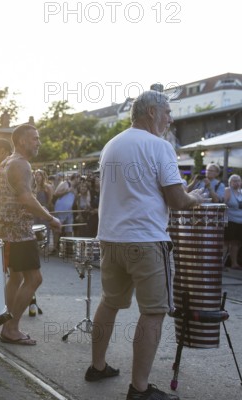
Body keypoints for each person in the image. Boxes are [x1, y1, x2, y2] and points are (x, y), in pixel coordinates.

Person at [87, 90, 205, 400]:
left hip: (110, 238)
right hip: (146, 240)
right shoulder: (160, 146)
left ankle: (97, 366)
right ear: (151, 112)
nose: (170, 119)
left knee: (109, 302)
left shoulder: (111, 145)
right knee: (154, 312)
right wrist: (195, 199)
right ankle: (139, 389)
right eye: (168, 112)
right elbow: (177, 200)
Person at [0, 124, 61, 346]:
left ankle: (5, 324)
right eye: (35, 138)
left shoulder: (6, 161)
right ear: (22, 141)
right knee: (34, 279)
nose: (38, 142)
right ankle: (11, 328)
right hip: (19, 234)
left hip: (7, 231)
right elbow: (26, 198)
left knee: (16, 278)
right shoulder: (21, 164)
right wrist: (50, 219)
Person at [223, 174, 242, 270]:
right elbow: (223, 204)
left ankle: (234, 263)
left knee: (236, 243)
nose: (236, 182)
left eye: (238, 180)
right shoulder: (227, 191)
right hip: (230, 221)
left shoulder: (241, 192)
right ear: (230, 182)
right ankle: (221, 264)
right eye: (234, 180)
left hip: (240, 222)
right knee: (226, 243)